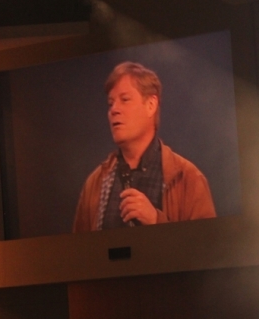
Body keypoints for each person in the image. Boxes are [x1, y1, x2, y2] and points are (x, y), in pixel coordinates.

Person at [73, 61, 216, 232]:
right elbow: (79, 254)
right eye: (111, 103)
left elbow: (208, 250)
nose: (114, 109)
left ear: (151, 105)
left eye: (125, 99)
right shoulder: (95, 183)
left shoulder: (188, 179)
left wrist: (156, 220)